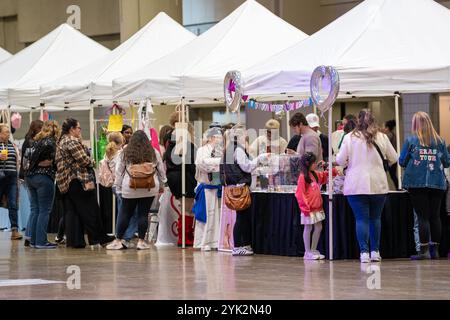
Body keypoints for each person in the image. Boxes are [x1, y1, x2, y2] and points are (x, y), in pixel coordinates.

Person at [336, 109, 397, 263]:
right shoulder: (382, 136)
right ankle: (375, 251)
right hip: (378, 183)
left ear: (358, 120)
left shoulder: (349, 137)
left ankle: (364, 253)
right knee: (375, 219)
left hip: (356, 184)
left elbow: (340, 160)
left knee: (361, 219)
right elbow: (394, 158)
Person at [55, 118, 113, 248]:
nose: (80, 130)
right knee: (91, 210)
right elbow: (84, 160)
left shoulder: (60, 142)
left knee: (72, 212)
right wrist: (91, 160)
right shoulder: (72, 141)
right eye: (79, 128)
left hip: (65, 182)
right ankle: (100, 238)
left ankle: (75, 241)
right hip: (78, 180)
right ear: (72, 129)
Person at [399, 112, 450, 260]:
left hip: (417, 183)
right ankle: (436, 251)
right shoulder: (440, 141)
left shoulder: (411, 141)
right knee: (435, 217)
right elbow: (447, 162)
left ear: (416, 124)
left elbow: (402, 162)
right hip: (437, 183)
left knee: (422, 217)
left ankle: (424, 251)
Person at [107, 130, 167, 250]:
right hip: (149, 187)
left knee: (125, 213)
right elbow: (161, 170)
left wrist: (117, 187)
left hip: (130, 188)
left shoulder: (125, 152)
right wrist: (162, 183)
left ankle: (118, 241)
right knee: (143, 214)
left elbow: (119, 171)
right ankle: (141, 241)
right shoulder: (153, 152)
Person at [220, 125, 268, 256]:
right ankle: (238, 245)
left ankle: (243, 244)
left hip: (232, 187)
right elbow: (247, 167)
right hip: (240, 188)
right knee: (242, 218)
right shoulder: (238, 150)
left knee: (242, 217)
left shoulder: (228, 149)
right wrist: (259, 159)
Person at [295, 152, 338, 260]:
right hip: (308, 208)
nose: (315, 164)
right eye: (313, 162)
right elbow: (300, 194)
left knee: (318, 227)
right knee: (308, 227)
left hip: (317, 207)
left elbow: (324, 176)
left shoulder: (314, 174)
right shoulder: (302, 177)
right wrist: (305, 208)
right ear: (307, 163)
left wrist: (335, 171)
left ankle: (313, 249)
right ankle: (307, 251)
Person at [25, 121, 60, 249]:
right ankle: (41, 241)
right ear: (55, 130)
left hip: (30, 177)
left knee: (36, 209)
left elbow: (28, 159)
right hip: (44, 178)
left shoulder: (36, 141)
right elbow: (48, 161)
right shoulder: (51, 142)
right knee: (44, 210)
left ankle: (34, 241)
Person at [164, 112, 197, 247]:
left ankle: (184, 237)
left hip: (173, 177)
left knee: (184, 207)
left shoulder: (168, 141)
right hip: (184, 177)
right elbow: (190, 164)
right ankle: (185, 238)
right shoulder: (184, 142)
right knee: (187, 209)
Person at [193, 127, 223, 251]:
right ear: (211, 138)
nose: (221, 139)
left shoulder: (221, 151)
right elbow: (202, 163)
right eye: (218, 137)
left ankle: (216, 242)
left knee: (217, 216)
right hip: (206, 187)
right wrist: (217, 163)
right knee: (206, 216)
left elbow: (224, 164)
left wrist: (216, 163)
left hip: (218, 188)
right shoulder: (201, 150)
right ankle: (203, 242)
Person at [98, 132, 124, 235]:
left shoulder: (107, 153)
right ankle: (120, 233)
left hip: (112, 184)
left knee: (120, 210)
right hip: (119, 184)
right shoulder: (120, 154)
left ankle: (118, 232)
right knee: (122, 211)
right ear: (121, 141)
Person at [0, 124, 22, 240]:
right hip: (0, 177)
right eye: (5, 132)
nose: (8, 134)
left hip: (12, 178)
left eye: (9, 132)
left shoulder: (12, 145)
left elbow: (16, 161)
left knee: (13, 204)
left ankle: (14, 230)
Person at [383, 120, 399, 189]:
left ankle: (398, 188)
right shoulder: (393, 134)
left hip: (389, 159)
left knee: (392, 175)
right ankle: (398, 188)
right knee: (393, 175)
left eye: (384, 127)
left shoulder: (388, 136)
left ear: (387, 128)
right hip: (393, 157)